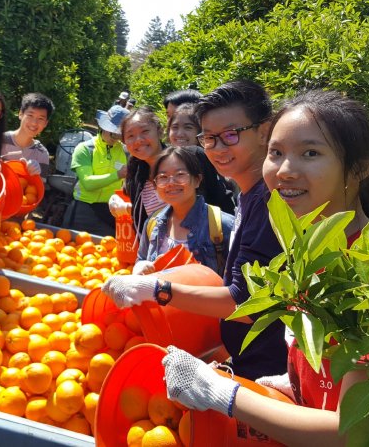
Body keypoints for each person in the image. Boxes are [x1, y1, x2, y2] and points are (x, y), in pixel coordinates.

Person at [161, 90, 369, 446]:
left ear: (360, 166)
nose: (285, 170)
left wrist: (223, 394)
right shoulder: (309, 260)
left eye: (310, 153)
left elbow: (351, 432)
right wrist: (293, 383)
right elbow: (333, 373)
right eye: (276, 153)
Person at [104, 80, 285, 381]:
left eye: (231, 134)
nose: (219, 147)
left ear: (263, 131)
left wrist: (155, 289)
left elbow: (246, 303)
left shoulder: (269, 201)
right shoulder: (248, 196)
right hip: (238, 357)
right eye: (210, 138)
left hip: (265, 368)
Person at [135, 146, 234, 275]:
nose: (171, 182)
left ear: (197, 180)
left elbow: (236, 282)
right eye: (163, 177)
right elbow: (141, 259)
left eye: (180, 175)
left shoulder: (223, 225)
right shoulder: (153, 223)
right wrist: (140, 266)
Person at [62, 106, 128, 237]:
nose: (116, 138)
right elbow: (87, 183)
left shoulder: (126, 152)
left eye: (121, 135)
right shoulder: (85, 149)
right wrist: (118, 175)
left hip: (111, 212)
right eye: (114, 133)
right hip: (83, 210)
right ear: (103, 127)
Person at [108, 107, 167, 237]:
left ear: (159, 131)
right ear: (124, 142)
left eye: (145, 131)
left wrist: (127, 208)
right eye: (130, 135)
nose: (138, 140)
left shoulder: (179, 165)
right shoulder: (135, 171)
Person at [168, 102, 236, 214]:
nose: (180, 133)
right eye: (175, 127)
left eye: (188, 127)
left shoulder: (199, 155)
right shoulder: (167, 160)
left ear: (201, 132)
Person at [1, 92, 53, 178]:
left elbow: (38, 189)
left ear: (46, 123)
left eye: (40, 118)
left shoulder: (41, 153)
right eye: (30, 115)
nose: (34, 123)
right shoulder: (0, 140)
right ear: (20, 114)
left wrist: (36, 175)